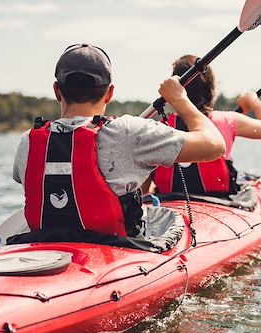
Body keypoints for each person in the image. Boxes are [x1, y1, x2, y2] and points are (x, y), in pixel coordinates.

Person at [12, 44, 224, 240]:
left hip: (46, 253)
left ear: (57, 91)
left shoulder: (27, 142)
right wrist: (179, 99)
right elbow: (214, 145)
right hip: (116, 253)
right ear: (109, 93)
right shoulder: (127, 132)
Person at [152, 54, 261, 196]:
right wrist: (253, 101)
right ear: (211, 89)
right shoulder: (228, 120)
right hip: (219, 201)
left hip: (167, 202)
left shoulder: (158, 128)